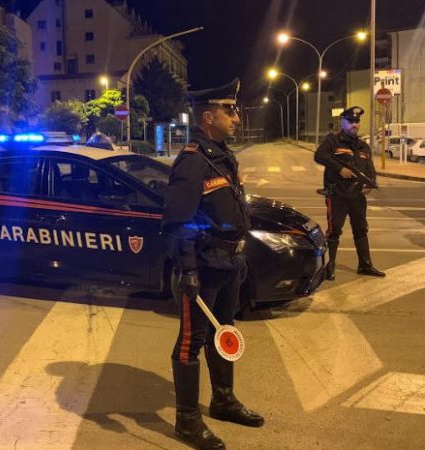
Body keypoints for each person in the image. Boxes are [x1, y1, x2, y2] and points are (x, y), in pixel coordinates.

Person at [162, 78, 264, 450]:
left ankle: (222, 400)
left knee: (225, 333)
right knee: (191, 341)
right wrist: (187, 269)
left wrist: (240, 254)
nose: (236, 117)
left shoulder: (221, 155)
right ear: (208, 117)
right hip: (203, 267)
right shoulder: (192, 161)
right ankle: (187, 421)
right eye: (229, 110)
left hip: (228, 262)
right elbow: (177, 221)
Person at [314, 106, 386, 280]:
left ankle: (365, 265)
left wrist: (370, 183)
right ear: (342, 122)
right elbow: (319, 156)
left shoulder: (363, 146)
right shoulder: (333, 141)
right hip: (337, 195)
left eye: (357, 122)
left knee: (361, 230)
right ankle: (329, 267)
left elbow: (370, 169)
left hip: (357, 197)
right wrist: (340, 169)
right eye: (351, 121)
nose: (354, 125)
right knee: (334, 232)